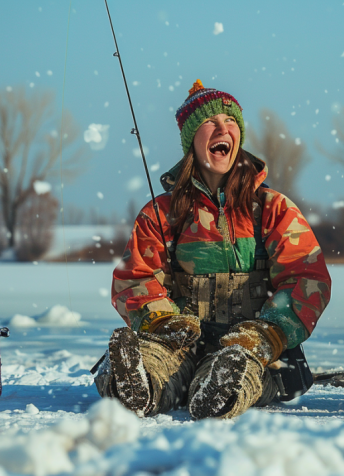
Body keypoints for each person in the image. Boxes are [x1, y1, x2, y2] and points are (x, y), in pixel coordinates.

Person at [93, 80, 331, 420]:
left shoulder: (273, 209)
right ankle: (136, 384)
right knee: (154, 363)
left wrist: (270, 331)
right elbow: (135, 279)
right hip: (179, 344)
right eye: (210, 121)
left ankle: (221, 390)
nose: (222, 127)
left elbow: (307, 278)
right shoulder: (161, 213)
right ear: (192, 138)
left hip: (251, 346)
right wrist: (163, 321)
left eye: (230, 120)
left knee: (242, 369)